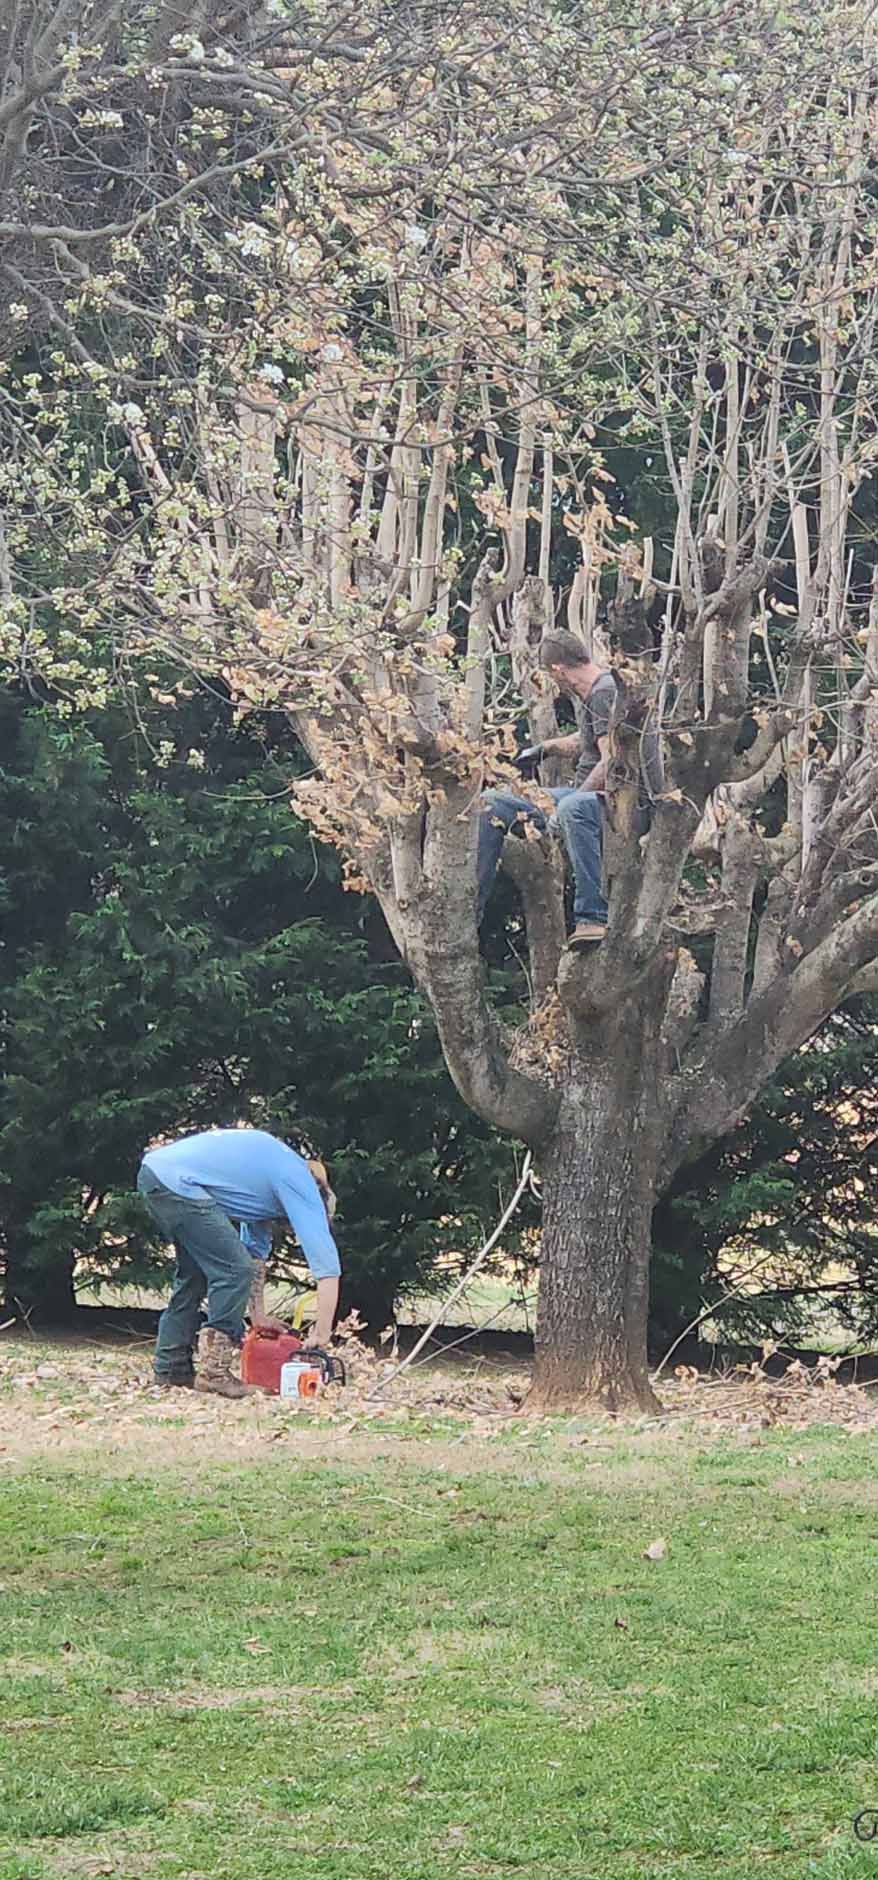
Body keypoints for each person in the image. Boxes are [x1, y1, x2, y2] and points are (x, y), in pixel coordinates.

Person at [137, 1127, 341, 1398]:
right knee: (234, 1270)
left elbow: (254, 1254)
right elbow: (327, 1270)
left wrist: (258, 1317)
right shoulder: (302, 1186)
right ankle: (215, 1374)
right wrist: (321, 1333)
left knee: (196, 1273)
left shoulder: (269, 1183)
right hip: (178, 1182)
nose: (292, 1231)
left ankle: (171, 1369)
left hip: (156, 1174)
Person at [478, 631, 617, 948]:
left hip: (619, 799)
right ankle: (472, 904)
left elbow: (611, 762)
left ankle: (593, 917)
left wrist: (573, 800)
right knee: (491, 804)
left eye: (550, 678)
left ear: (557, 670)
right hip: (585, 795)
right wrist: (542, 749)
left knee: (571, 808)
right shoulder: (595, 693)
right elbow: (586, 742)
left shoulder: (604, 693)